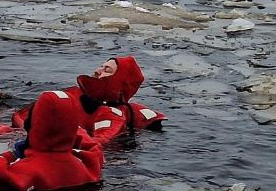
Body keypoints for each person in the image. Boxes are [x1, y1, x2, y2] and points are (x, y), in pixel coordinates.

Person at [11, 54, 165, 145]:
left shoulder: (112, 114)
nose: (98, 71)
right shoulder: (72, 94)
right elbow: (23, 116)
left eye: (107, 70)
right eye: (101, 66)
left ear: (119, 81)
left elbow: (100, 142)